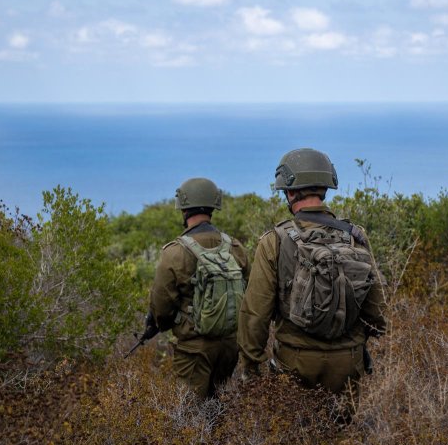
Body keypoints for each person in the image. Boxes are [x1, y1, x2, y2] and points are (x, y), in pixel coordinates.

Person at [237, 148, 387, 397]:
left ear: (291, 192)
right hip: (348, 361)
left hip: (295, 361)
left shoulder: (274, 240)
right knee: (342, 434)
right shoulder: (355, 236)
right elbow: (377, 311)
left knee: (295, 433)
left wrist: (251, 367)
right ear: (324, 188)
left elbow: (256, 313)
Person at [147, 177, 249, 399]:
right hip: (230, 346)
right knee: (218, 407)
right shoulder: (235, 246)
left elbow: (161, 307)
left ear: (184, 208)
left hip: (194, 349)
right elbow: (248, 293)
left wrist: (159, 324)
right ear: (214, 206)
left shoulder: (174, 252)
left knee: (188, 419)